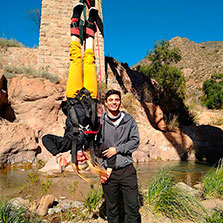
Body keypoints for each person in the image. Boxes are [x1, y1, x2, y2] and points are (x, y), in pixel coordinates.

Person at [42, 3, 103, 171]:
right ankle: (90, 26)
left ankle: (75, 21)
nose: (82, 157)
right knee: (90, 60)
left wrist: (57, 154)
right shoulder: (93, 146)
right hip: (91, 97)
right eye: (85, 160)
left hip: (74, 96)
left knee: (76, 59)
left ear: (73, 158)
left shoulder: (66, 144)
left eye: (79, 160)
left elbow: (46, 138)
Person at [98, 89, 141, 223]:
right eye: (110, 100)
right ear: (106, 103)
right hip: (108, 172)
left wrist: (117, 149)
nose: (114, 102)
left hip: (127, 169)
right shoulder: (100, 122)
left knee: (133, 208)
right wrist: (101, 170)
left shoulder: (129, 120)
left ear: (120, 102)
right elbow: (96, 147)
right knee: (112, 209)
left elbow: (135, 141)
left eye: (116, 100)